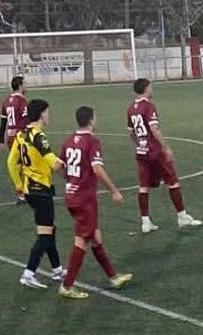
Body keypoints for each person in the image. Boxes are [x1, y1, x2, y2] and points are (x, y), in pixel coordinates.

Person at [57, 105, 132, 300]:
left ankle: (113, 277)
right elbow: (97, 169)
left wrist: (71, 179)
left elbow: (57, 166)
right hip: (84, 199)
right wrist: (114, 191)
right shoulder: (92, 141)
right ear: (91, 120)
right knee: (81, 241)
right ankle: (67, 285)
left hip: (72, 196)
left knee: (95, 237)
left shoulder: (68, 141)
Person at [127, 78, 202, 234]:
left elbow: (130, 132)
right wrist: (165, 147)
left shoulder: (131, 108)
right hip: (154, 150)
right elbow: (154, 129)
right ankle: (182, 217)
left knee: (143, 186)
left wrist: (140, 143)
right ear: (146, 89)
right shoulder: (148, 106)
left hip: (141, 151)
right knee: (172, 182)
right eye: (150, 86)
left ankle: (145, 222)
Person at [6, 99, 65, 290]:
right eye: (47, 112)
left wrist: (19, 185)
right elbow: (54, 164)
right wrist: (72, 163)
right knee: (45, 234)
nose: (49, 115)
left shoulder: (22, 135)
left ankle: (57, 270)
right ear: (40, 114)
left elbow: (11, 162)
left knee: (49, 229)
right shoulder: (39, 137)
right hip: (41, 190)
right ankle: (29, 273)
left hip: (30, 190)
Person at [0, 75, 28, 203]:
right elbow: (26, 121)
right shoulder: (22, 102)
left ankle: (21, 193)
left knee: (17, 164)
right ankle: (23, 192)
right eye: (25, 84)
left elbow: (3, 122)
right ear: (20, 86)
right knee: (25, 164)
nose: (27, 86)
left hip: (10, 137)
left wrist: (0, 139)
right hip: (20, 137)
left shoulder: (6, 101)